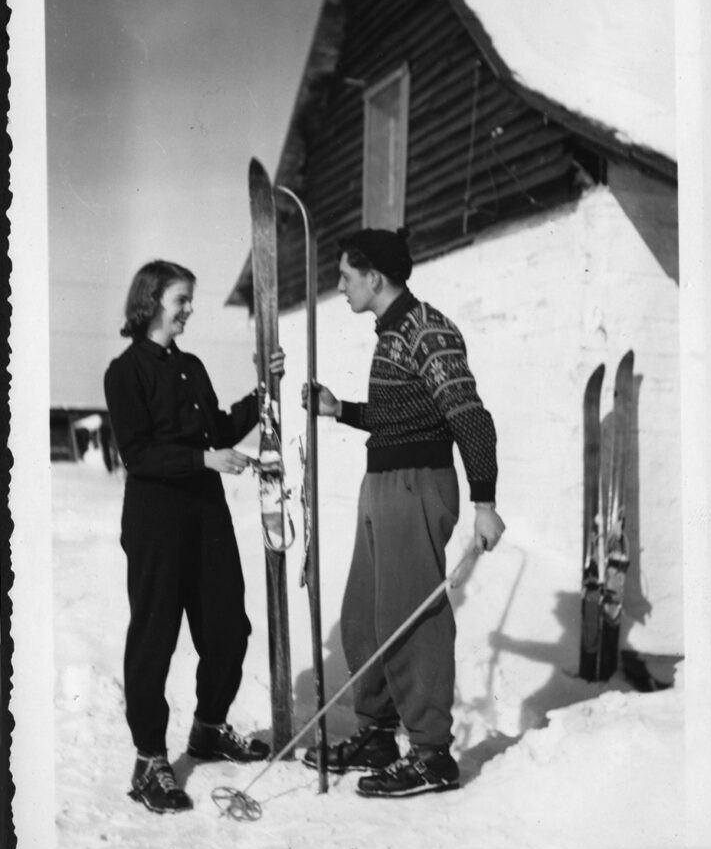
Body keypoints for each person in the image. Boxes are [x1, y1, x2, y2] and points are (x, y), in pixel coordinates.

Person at [303, 228, 505, 798]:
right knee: (364, 615)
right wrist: (338, 409)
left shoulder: (427, 330)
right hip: (383, 481)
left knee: (409, 617)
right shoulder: (391, 332)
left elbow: (469, 418)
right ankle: (378, 734)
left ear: (374, 276)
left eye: (346, 275)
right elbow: (401, 418)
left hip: (416, 487)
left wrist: (484, 503)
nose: (340, 286)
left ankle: (432, 754)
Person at [104, 259, 284, 815]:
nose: (188, 309)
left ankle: (208, 728)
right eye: (181, 299)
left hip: (206, 516)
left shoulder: (192, 366)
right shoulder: (125, 371)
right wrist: (203, 458)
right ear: (152, 300)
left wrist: (263, 390)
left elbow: (220, 429)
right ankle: (149, 760)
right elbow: (137, 454)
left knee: (229, 628)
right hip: (157, 519)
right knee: (155, 637)